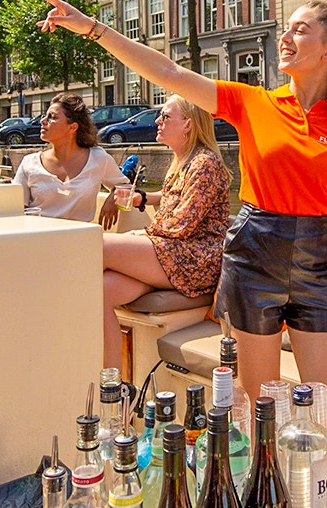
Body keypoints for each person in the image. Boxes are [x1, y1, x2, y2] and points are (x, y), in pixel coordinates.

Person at [34, 0, 327, 454]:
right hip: (254, 259)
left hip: (318, 266)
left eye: (300, 30)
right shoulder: (253, 102)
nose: (285, 37)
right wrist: (94, 30)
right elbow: (169, 72)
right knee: (262, 418)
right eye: (286, 27)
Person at [99, 95, 231, 366]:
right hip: (174, 254)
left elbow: (182, 223)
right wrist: (144, 199)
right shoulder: (183, 161)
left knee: (95, 246)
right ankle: (112, 378)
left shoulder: (204, 163)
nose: (157, 121)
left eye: (166, 116)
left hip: (195, 259)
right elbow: (173, 198)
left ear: (188, 125)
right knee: (100, 291)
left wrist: (140, 235)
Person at [11, 92, 128, 224]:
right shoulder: (29, 163)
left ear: (72, 127)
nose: (42, 121)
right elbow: (15, 209)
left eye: (52, 117)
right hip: (39, 238)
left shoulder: (98, 157)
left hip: (79, 238)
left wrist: (112, 200)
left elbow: (124, 185)